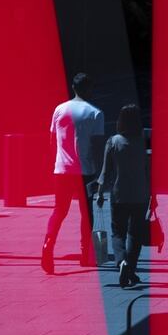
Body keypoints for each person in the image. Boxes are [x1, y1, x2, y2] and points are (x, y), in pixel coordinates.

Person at [41, 73, 105, 274]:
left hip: (61, 170)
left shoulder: (59, 109)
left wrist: (56, 162)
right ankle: (86, 254)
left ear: (73, 87)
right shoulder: (95, 113)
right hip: (85, 171)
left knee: (59, 211)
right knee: (86, 214)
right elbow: (97, 146)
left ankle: (48, 245)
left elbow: (52, 141)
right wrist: (100, 175)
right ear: (89, 89)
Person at [96, 104, 153, 288]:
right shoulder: (143, 142)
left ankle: (121, 262)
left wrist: (99, 193)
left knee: (118, 232)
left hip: (119, 193)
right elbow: (149, 171)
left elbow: (105, 171)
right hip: (140, 194)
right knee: (135, 234)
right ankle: (131, 268)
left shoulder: (113, 142)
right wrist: (154, 195)